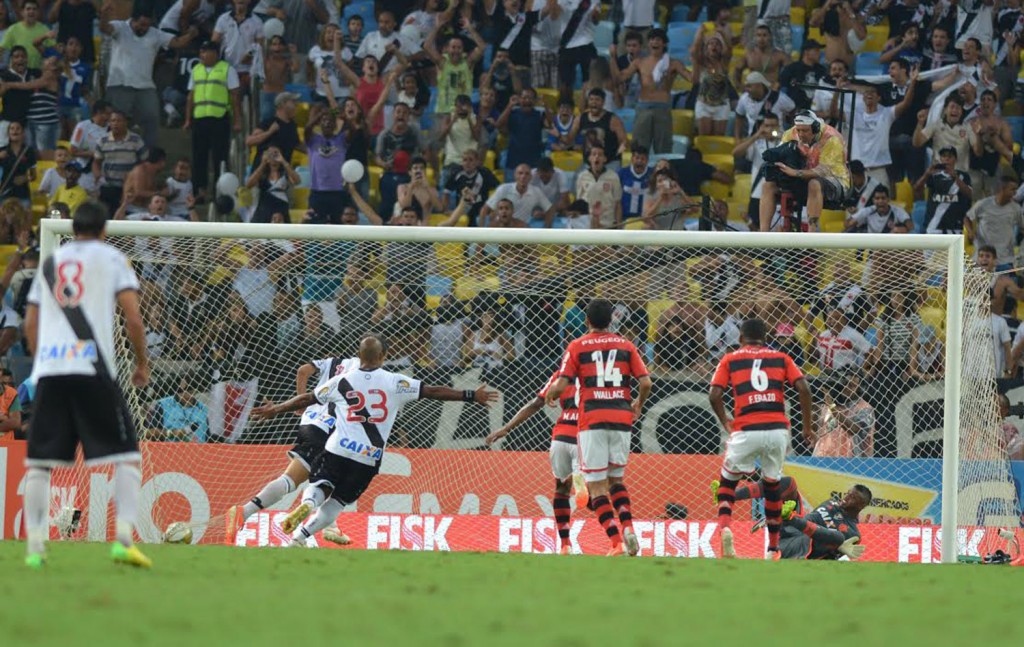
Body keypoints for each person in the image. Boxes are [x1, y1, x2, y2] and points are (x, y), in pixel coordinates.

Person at [250, 334, 498, 546]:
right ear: (383, 357)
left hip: (338, 447)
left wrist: (277, 409)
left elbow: (306, 399)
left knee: (320, 486)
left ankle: (308, 503)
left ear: (359, 356)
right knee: (337, 503)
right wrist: (470, 395)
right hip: (368, 455)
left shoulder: (341, 381)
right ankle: (300, 537)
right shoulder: (394, 381)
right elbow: (433, 391)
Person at [21, 201, 150, 569]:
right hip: (92, 369)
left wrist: (40, 361)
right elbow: (134, 319)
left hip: (52, 370)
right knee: (126, 454)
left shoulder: (50, 263)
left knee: (39, 462)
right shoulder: (112, 259)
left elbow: (31, 320)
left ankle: (33, 549)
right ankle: (124, 540)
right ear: (104, 229)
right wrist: (141, 363)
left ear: (73, 228)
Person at [544, 299, 653, 557]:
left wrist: (552, 394)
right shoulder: (626, 345)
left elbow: (562, 382)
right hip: (621, 419)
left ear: (587, 321)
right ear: (612, 320)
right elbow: (646, 382)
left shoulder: (577, 345)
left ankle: (616, 542)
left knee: (596, 487)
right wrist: (637, 403)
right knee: (617, 481)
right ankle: (629, 527)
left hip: (592, 421)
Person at [225, 354, 362, 545]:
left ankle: (331, 526)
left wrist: (300, 404)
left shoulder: (333, 362)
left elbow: (302, 371)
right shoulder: (366, 373)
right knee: (308, 481)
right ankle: (245, 512)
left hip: (311, 422)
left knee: (321, 478)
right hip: (332, 429)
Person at [709, 317, 812, 559]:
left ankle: (725, 529)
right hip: (777, 430)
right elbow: (804, 389)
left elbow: (714, 394)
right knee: (772, 486)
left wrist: (726, 421)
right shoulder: (781, 358)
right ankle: (773, 548)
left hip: (746, 428)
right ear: (765, 338)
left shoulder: (730, 359)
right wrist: (807, 427)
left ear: (740, 338)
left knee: (727, 484)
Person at [486, 369, 585, 554]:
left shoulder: (561, 375)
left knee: (562, 489)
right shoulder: (599, 373)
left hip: (561, 437)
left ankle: (565, 545)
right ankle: (584, 487)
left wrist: (507, 428)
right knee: (599, 490)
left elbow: (536, 403)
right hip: (586, 435)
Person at [100, 6, 199, 147]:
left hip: (145, 87)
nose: (144, 28)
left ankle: (148, 156)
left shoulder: (155, 34)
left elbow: (176, 42)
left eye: (147, 25)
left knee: (152, 120)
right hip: (119, 84)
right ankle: (112, 150)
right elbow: (105, 28)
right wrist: (104, 15)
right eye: (141, 25)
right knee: (117, 121)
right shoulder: (120, 27)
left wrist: (190, 35)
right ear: (133, 20)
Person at [716, 476, 870, 560]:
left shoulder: (853, 533)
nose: (846, 497)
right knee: (789, 483)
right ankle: (729, 495)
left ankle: (737, 559)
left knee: (837, 537)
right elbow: (811, 518)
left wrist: (790, 517)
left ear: (860, 506)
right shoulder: (832, 503)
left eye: (852, 497)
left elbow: (826, 555)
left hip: (803, 550)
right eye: (848, 493)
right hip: (790, 529)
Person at [759, 110, 850, 233]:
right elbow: (781, 154)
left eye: (805, 131)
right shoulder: (791, 133)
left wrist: (795, 173)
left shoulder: (832, 138)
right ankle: (763, 234)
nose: (801, 134)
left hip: (836, 181)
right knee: (768, 186)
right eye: (799, 130)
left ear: (815, 128)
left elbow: (824, 170)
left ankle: (811, 234)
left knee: (814, 183)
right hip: (803, 179)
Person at [609, 28, 689, 154]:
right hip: (643, 108)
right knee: (639, 148)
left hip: (663, 108)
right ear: (648, 43)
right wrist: (613, 57)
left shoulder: (674, 63)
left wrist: (697, 59)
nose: (654, 42)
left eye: (658, 40)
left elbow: (692, 79)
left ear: (664, 44)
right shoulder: (639, 62)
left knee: (663, 149)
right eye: (652, 40)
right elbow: (618, 79)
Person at [184, 41, 242, 201]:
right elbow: (191, 96)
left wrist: (237, 120)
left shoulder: (227, 69)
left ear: (215, 53)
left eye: (206, 52)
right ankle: (199, 191)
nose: (202, 55)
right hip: (200, 118)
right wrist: (188, 119)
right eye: (201, 52)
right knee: (199, 156)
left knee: (220, 156)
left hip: (219, 118)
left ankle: (220, 192)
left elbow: (234, 95)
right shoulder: (196, 70)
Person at [93, 109, 146, 216]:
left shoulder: (136, 140)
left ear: (125, 122)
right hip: (108, 186)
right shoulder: (102, 140)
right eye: (112, 121)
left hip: (128, 187)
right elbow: (96, 162)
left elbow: (144, 162)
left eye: (119, 121)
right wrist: (98, 176)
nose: (115, 124)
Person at [966, 176, 1024, 270]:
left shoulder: (1016, 208)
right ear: (1002, 189)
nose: (1015, 193)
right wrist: (970, 231)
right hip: (982, 260)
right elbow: (967, 217)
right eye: (1012, 189)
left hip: (1005, 260)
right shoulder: (983, 204)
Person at [914, 146, 973, 235]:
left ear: (955, 159)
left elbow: (969, 194)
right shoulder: (933, 175)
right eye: (944, 156)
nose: (946, 159)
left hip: (955, 227)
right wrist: (926, 174)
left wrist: (955, 177)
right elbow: (916, 190)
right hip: (933, 226)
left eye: (950, 156)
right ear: (940, 159)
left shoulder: (963, 176)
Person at [145, 375, 209, 442]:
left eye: (190, 389)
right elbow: (148, 432)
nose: (186, 393)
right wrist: (172, 433)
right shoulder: (163, 405)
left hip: (199, 450)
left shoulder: (202, 408)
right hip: (170, 450)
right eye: (182, 390)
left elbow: (207, 436)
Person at [844, 185, 911, 233]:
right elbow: (847, 224)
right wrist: (853, 221)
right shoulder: (867, 211)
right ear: (873, 200)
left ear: (888, 199)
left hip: (891, 247)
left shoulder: (897, 211)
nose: (880, 201)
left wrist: (902, 229)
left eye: (883, 198)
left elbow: (911, 226)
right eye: (877, 198)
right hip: (872, 247)